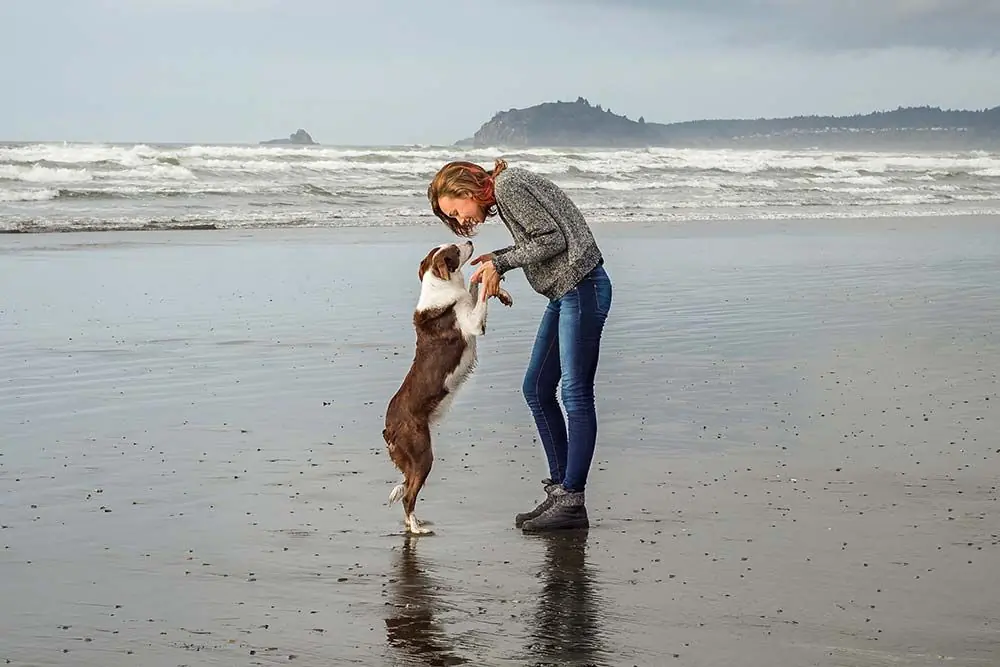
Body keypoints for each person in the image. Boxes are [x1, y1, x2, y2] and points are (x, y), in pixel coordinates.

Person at [427, 159, 612, 532]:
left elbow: (552, 239)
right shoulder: (508, 189)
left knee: (575, 393)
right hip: (566, 293)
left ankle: (573, 501)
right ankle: (561, 492)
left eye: (455, 210)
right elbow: (541, 238)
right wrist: (498, 261)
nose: (461, 221)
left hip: (583, 287)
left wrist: (502, 261)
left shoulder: (509, 185)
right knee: (537, 388)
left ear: (464, 188)